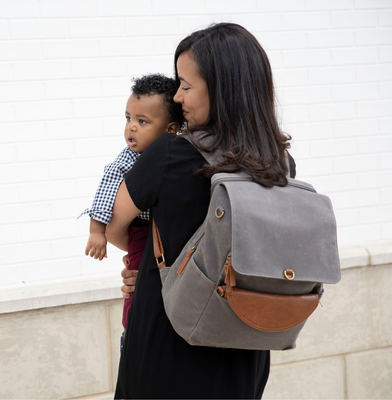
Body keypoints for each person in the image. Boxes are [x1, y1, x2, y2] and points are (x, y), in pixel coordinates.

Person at [106, 23, 296, 399]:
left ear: (222, 89)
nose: (177, 97)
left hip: (167, 339)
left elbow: (114, 226)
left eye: (186, 86)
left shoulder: (169, 154)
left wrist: (143, 266)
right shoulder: (278, 163)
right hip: (243, 339)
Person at [79, 74, 184, 333]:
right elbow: (105, 190)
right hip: (141, 230)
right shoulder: (129, 158)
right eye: (128, 118)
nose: (131, 127)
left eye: (142, 121)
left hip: (168, 233)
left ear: (170, 129)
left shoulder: (181, 153)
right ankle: (132, 327)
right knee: (137, 280)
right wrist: (96, 231)